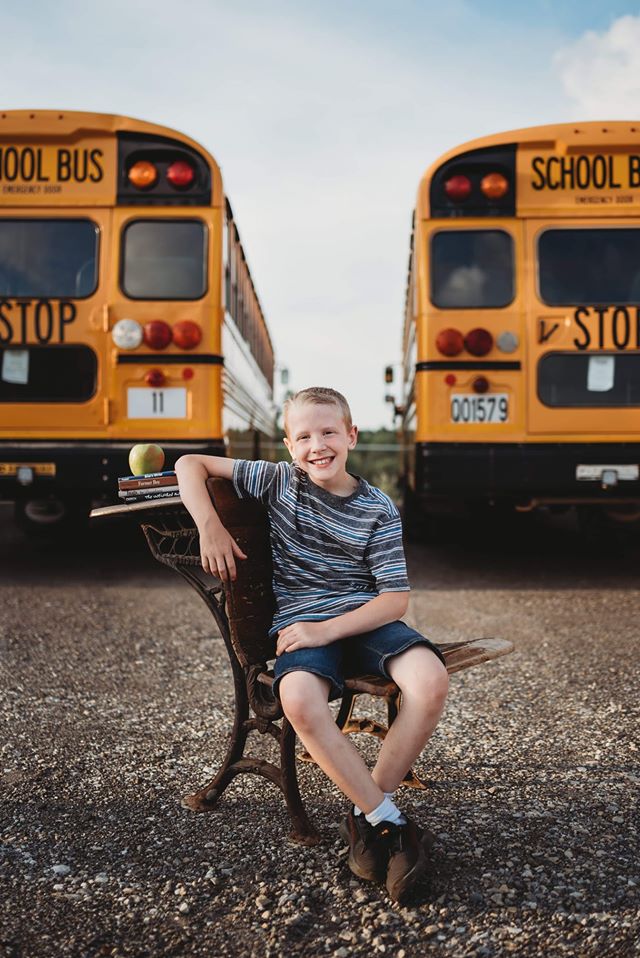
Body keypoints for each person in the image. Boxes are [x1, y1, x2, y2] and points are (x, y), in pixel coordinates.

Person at [175, 387, 449, 903]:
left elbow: (395, 599)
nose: (317, 445)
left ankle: (369, 813)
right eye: (303, 436)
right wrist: (207, 526)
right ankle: (386, 819)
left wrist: (330, 630)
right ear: (287, 445)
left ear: (351, 436)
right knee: (298, 699)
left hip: (365, 622)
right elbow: (190, 463)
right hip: (301, 621)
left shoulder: (376, 507)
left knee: (430, 682)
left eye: (328, 432)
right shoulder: (280, 481)